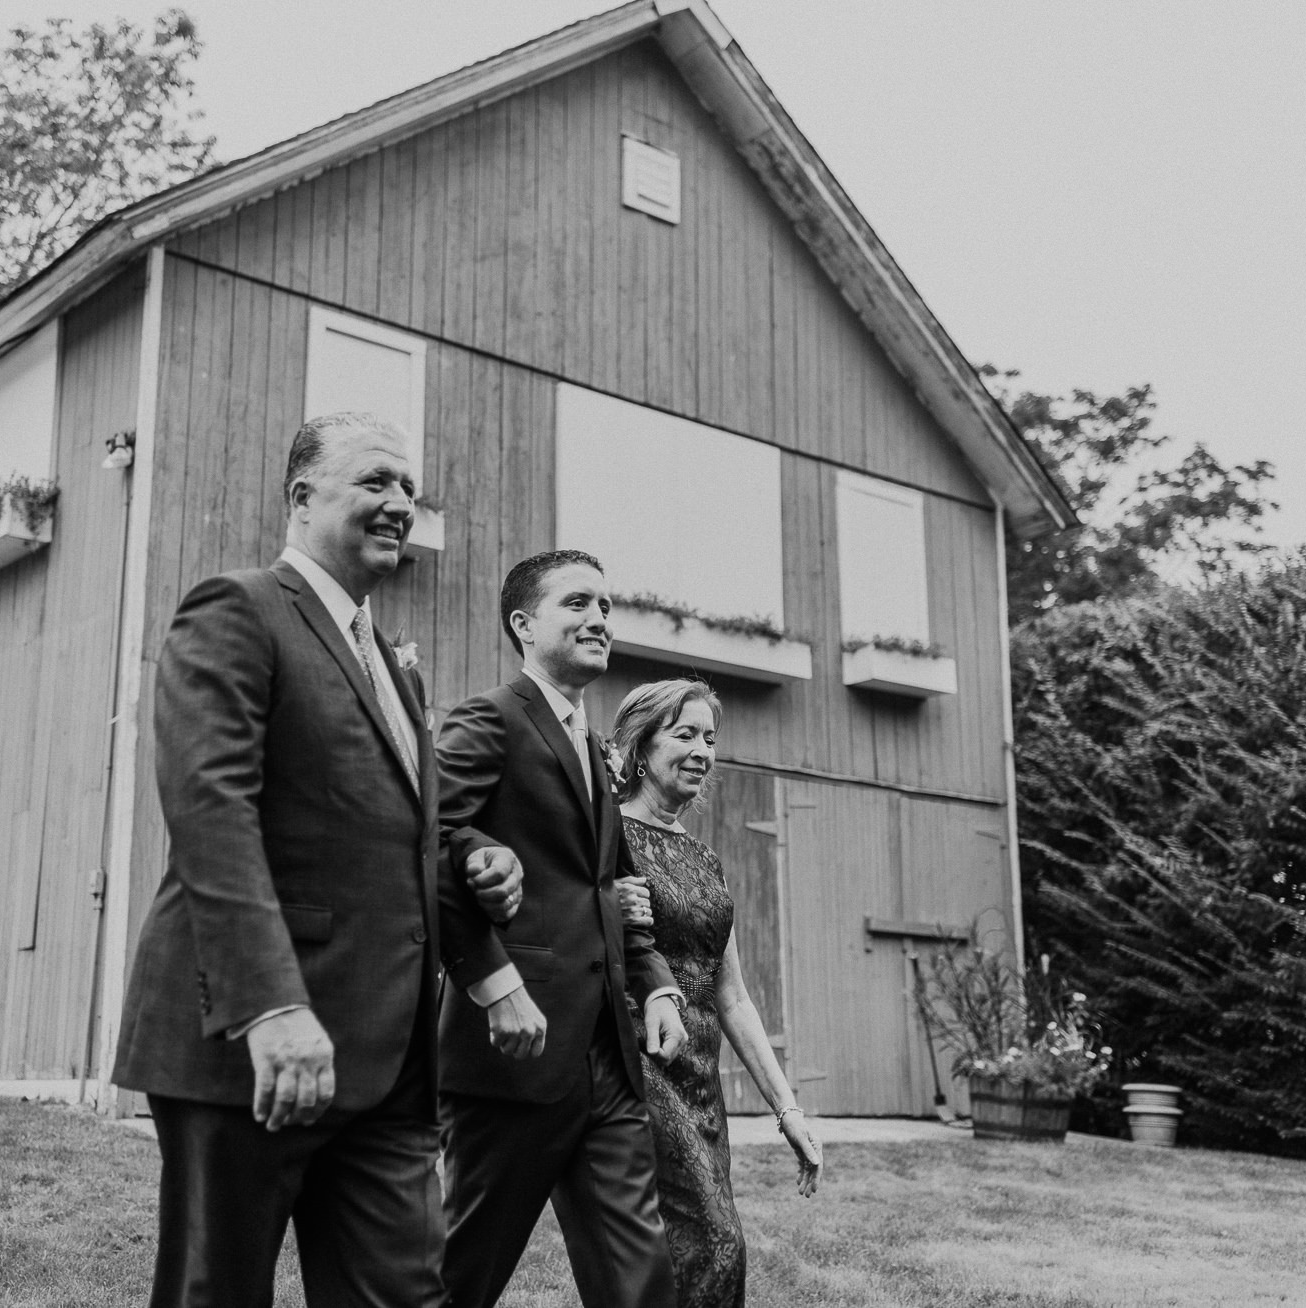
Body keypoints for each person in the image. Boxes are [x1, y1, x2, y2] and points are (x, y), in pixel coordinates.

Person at [112, 412, 525, 1308]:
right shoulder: (236, 611)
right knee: (217, 1294)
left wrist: (478, 857)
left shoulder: (395, 667)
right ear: (302, 497)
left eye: (408, 488)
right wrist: (270, 1004)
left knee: (406, 1294)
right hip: (251, 1046)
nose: (399, 503)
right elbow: (209, 810)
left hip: (389, 1060)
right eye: (375, 481)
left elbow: (401, 831)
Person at [436, 549, 689, 1308]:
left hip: (606, 1057)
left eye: (607, 607)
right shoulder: (491, 719)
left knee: (639, 1276)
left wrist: (658, 986)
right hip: (516, 1054)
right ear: (523, 624)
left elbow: (608, 882)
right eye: (577, 603)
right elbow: (428, 837)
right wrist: (493, 982)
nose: (598, 620)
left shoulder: (591, 743)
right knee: (463, 1273)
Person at [608, 678, 821, 1308]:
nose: (703, 749)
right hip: (641, 1063)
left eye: (710, 737)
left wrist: (788, 1112)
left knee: (684, 1248)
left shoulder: (704, 859)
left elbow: (733, 998)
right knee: (715, 1239)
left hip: (702, 1078)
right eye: (685, 734)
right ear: (639, 749)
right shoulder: (607, 838)